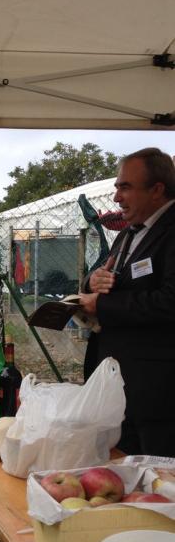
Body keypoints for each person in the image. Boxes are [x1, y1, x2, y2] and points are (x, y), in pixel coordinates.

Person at [79, 147, 175, 456]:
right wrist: (92, 281)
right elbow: (110, 275)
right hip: (121, 390)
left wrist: (101, 306)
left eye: (125, 187)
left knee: (159, 477)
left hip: (159, 396)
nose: (116, 197)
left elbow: (169, 301)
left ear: (157, 190)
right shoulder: (129, 232)